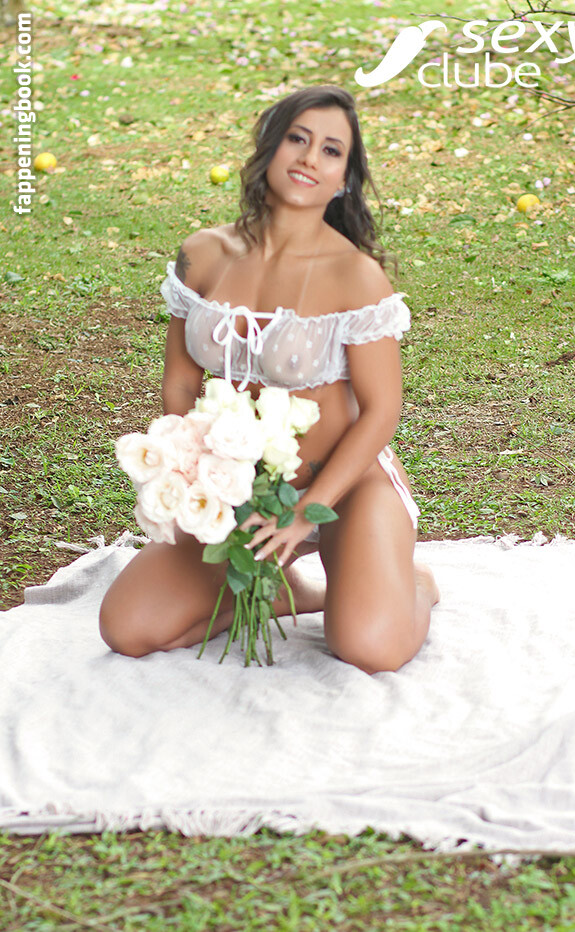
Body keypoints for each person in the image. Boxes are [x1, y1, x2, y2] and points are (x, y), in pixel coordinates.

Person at [99, 84, 439, 675]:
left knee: (369, 648)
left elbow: (382, 411)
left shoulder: (356, 277)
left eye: (331, 150)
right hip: (237, 489)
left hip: (344, 486)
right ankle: (289, 591)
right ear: (269, 147)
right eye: (297, 139)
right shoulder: (202, 254)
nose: (310, 158)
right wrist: (200, 480)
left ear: (345, 178)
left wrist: (307, 511)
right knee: (127, 628)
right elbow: (180, 386)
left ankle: (415, 584)